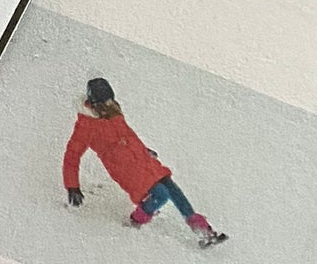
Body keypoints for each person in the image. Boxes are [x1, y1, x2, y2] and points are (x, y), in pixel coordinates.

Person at [62, 76, 227, 249]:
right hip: (127, 171)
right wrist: (72, 186)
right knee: (161, 195)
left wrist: (144, 150)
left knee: (173, 189)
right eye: (106, 103)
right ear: (94, 103)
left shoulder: (114, 113)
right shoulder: (86, 126)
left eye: (111, 100)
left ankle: (203, 230)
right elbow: (72, 155)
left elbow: (130, 137)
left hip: (144, 162)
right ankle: (136, 220)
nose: (110, 105)